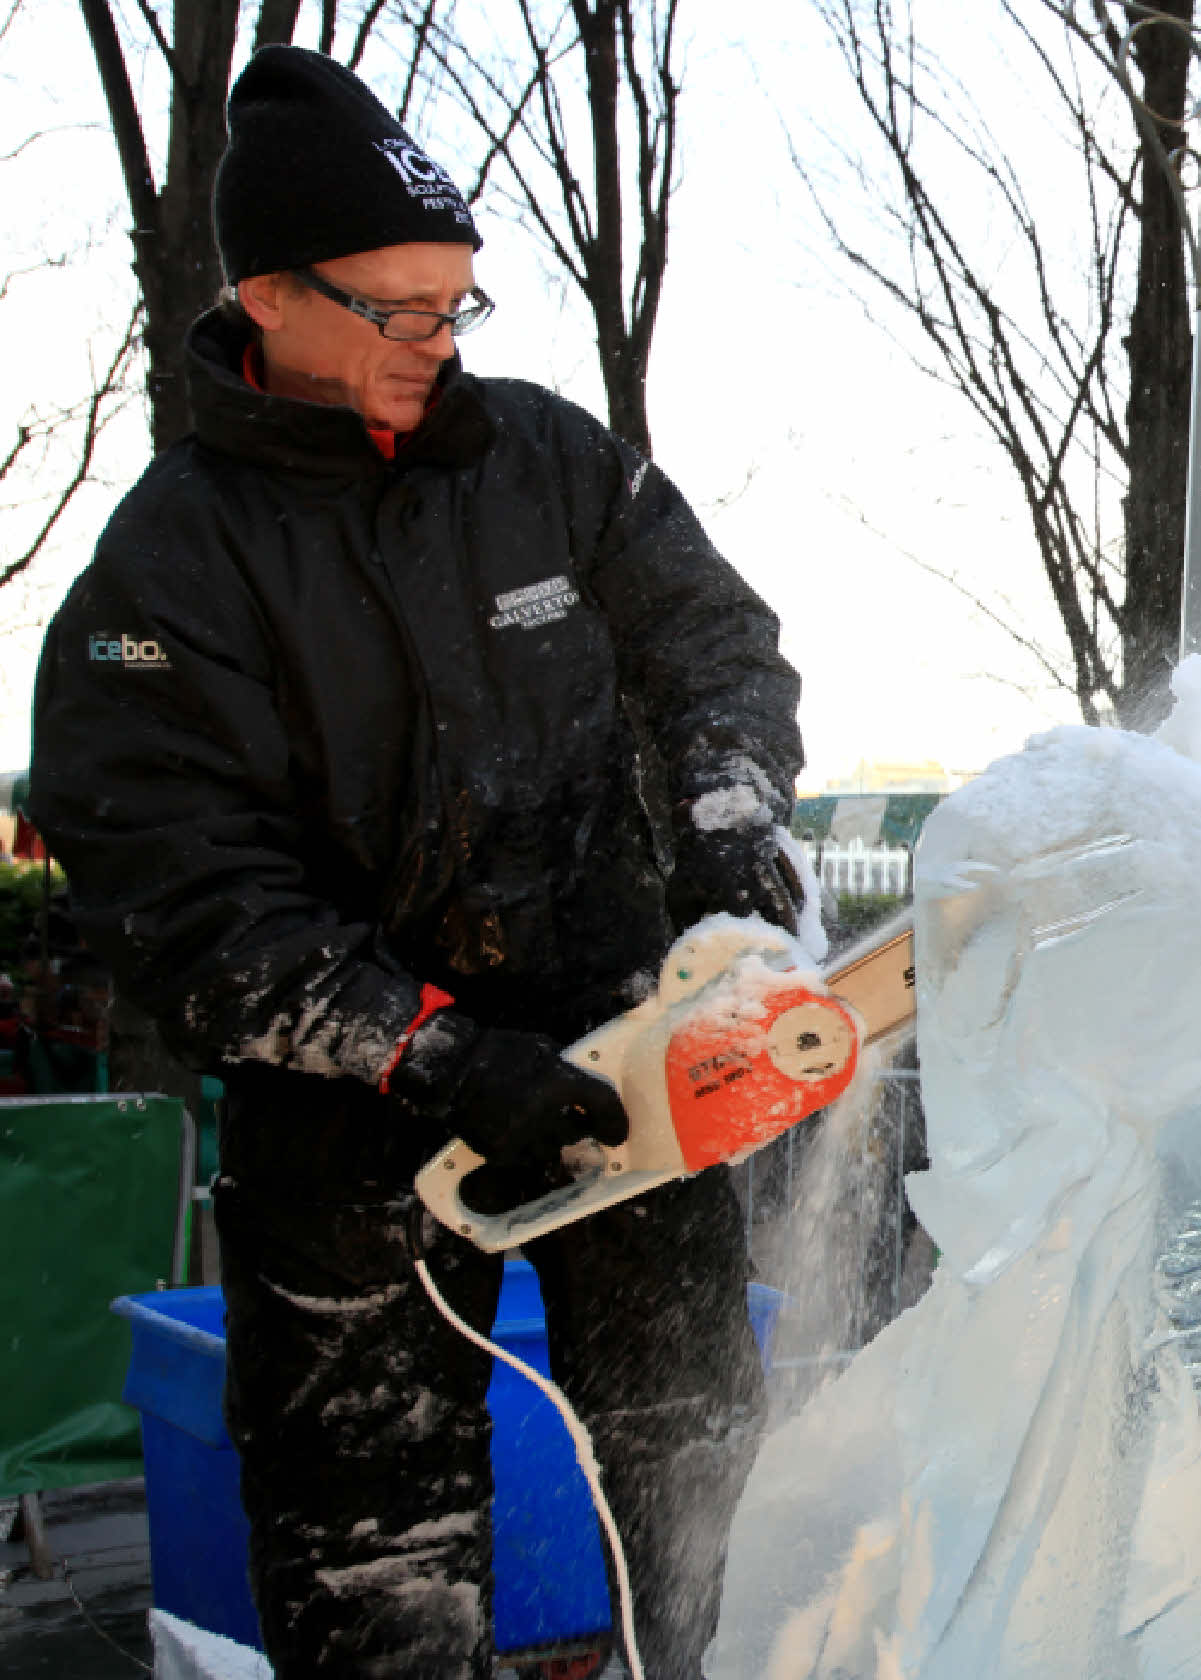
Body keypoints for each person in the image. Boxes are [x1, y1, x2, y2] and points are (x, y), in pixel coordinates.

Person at [30, 46, 802, 1678]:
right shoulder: (169, 568)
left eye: (455, 305)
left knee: (705, 1489)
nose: (434, 345)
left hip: (627, 1076)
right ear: (268, 298)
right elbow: (179, 885)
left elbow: (714, 646)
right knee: (380, 1565)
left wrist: (732, 839)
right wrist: (429, 1047)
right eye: (395, 311)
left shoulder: (545, 463)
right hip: (356, 1141)